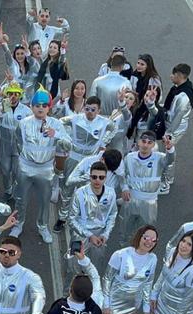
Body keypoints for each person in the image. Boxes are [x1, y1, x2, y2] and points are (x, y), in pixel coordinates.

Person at [11, 88, 72, 243]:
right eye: (37, 105)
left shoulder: (56, 124)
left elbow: (68, 145)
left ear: (49, 107)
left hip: (45, 169)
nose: (40, 108)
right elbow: (17, 142)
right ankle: (18, 224)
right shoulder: (23, 123)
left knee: (44, 200)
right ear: (31, 106)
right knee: (21, 198)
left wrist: (56, 134)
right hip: (25, 166)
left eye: (44, 105)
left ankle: (43, 226)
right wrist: (24, 159)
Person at [56, 96, 116, 233]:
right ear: (84, 108)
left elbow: (114, 128)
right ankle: (62, 216)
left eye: (93, 110)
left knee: (89, 188)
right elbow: (59, 123)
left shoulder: (104, 122)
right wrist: (66, 138)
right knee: (68, 187)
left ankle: (85, 216)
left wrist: (104, 142)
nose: (90, 112)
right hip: (74, 157)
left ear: (99, 110)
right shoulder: (76, 119)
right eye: (87, 109)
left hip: (91, 159)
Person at [117, 131, 175, 244]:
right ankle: (123, 254)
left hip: (149, 203)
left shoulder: (160, 158)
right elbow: (122, 174)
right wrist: (124, 188)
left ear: (153, 145)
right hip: (130, 201)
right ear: (138, 142)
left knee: (146, 233)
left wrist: (170, 148)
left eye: (149, 142)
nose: (145, 145)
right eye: (143, 141)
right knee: (125, 230)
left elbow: (170, 160)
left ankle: (141, 256)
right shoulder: (129, 157)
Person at [151, 63, 193, 194]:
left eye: (173, 74)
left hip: (175, 128)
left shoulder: (183, 96)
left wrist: (169, 133)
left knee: (169, 152)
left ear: (180, 75)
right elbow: (170, 107)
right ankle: (169, 178)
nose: (171, 76)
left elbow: (178, 116)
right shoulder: (178, 88)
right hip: (170, 124)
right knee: (169, 150)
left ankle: (165, 183)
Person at [67, 161, 118, 269]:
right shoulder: (79, 193)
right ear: (89, 177)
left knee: (96, 266)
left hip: (100, 235)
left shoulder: (111, 193)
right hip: (79, 235)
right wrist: (89, 235)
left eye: (101, 177)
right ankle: (69, 286)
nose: (97, 180)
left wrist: (105, 234)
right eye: (94, 177)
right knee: (73, 267)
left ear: (105, 178)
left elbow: (112, 215)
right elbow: (71, 219)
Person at [0, 82, 32, 201]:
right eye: (10, 94)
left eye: (16, 94)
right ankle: (8, 190)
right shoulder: (0, 107)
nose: (13, 96)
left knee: (17, 171)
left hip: (18, 146)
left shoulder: (26, 111)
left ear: (20, 95)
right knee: (5, 170)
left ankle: (16, 192)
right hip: (4, 145)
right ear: (6, 95)